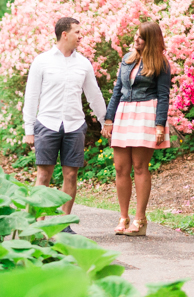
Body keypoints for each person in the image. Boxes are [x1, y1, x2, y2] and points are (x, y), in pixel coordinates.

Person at [23, 17, 107, 232]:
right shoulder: (42, 61)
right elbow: (31, 97)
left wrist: (106, 121)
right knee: (44, 175)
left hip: (74, 126)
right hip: (47, 124)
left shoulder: (83, 63)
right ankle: (35, 224)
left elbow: (94, 95)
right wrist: (28, 129)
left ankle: (63, 223)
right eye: (77, 32)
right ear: (64, 34)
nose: (81, 36)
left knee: (71, 174)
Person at [102, 22, 171, 236]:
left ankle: (140, 219)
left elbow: (163, 96)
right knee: (121, 168)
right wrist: (108, 119)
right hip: (124, 113)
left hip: (146, 114)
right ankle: (124, 217)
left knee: (140, 167)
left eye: (141, 37)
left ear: (150, 40)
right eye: (136, 35)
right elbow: (117, 91)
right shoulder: (127, 60)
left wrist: (160, 124)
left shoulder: (161, 63)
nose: (136, 39)